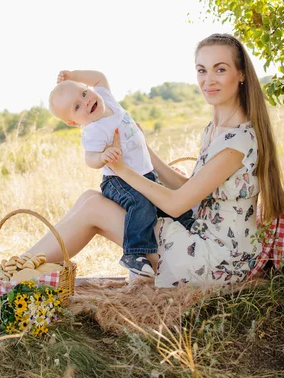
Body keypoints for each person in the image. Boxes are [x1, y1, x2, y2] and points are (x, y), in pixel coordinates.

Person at [0, 34, 284, 294]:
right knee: (90, 198)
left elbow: (177, 201)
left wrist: (124, 170)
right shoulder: (216, 129)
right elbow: (192, 190)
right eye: (202, 70)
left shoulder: (237, 142)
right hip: (201, 234)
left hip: (216, 259)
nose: (208, 80)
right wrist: (146, 150)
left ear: (241, 74)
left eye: (220, 69)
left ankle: (4, 278)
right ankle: (15, 271)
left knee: (94, 209)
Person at [48, 69, 194, 278]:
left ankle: (189, 221)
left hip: (144, 175)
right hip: (118, 182)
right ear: (73, 122)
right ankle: (134, 254)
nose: (86, 101)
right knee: (141, 203)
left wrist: (74, 75)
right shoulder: (94, 130)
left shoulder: (107, 100)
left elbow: (100, 78)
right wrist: (103, 157)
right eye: (77, 107)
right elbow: (89, 158)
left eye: (83, 93)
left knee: (162, 200)